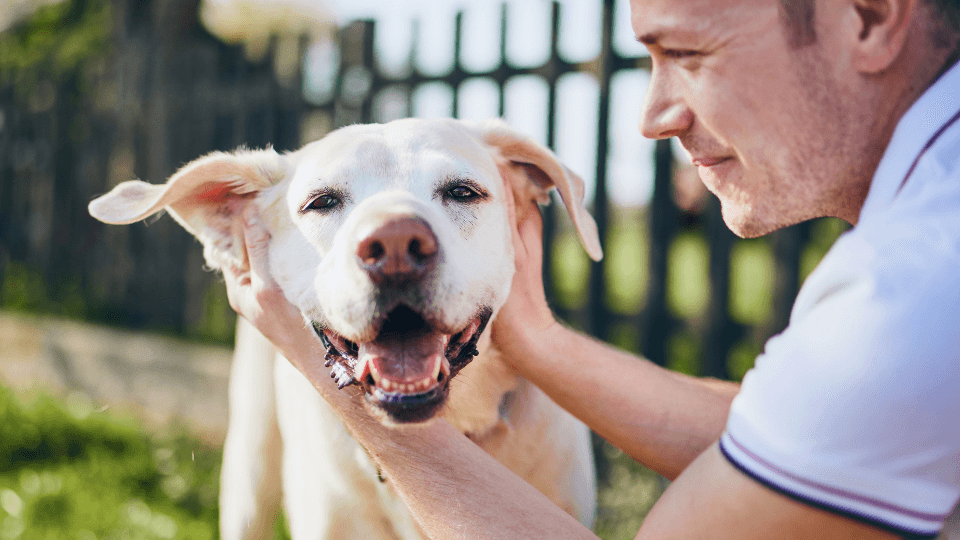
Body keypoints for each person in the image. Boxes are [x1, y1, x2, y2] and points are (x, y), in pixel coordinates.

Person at [223, 0, 960, 537]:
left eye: (689, 55)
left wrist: (339, 383)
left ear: (865, 17)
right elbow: (803, 435)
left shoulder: (916, 285)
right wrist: (536, 340)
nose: (653, 115)